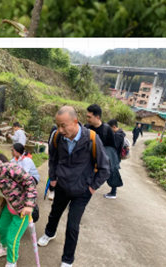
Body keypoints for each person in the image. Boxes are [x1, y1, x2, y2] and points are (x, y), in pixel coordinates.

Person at [38, 106, 110, 267]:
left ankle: (67, 259)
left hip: (82, 191)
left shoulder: (91, 138)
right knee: (54, 213)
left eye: (64, 125)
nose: (60, 129)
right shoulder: (57, 137)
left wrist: (91, 187)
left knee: (72, 225)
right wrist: (53, 177)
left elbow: (105, 168)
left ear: (75, 122)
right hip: (62, 185)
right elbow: (53, 159)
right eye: (58, 125)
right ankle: (49, 233)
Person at [85, 105, 122, 200]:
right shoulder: (87, 127)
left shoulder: (107, 129)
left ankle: (113, 191)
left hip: (102, 158)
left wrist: (114, 160)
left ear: (97, 117)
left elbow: (113, 147)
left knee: (111, 173)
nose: (87, 119)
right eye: (87, 116)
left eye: (89, 117)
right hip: (89, 159)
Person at [105, 119, 126, 199]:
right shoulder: (120, 133)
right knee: (112, 174)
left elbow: (114, 147)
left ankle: (113, 193)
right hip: (115, 158)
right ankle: (112, 192)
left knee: (113, 175)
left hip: (114, 158)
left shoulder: (118, 135)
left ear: (114, 127)